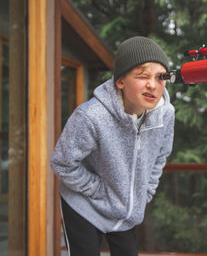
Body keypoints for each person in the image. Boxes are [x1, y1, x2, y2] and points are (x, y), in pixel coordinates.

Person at [51, 36, 175, 256]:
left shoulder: (166, 114)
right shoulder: (91, 116)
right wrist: (98, 190)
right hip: (85, 205)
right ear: (120, 81)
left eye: (160, 77)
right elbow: (63, 163)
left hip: (124, 209)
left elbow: (161, 156)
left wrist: (144, 192)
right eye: (143, 76)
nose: (153, 85)